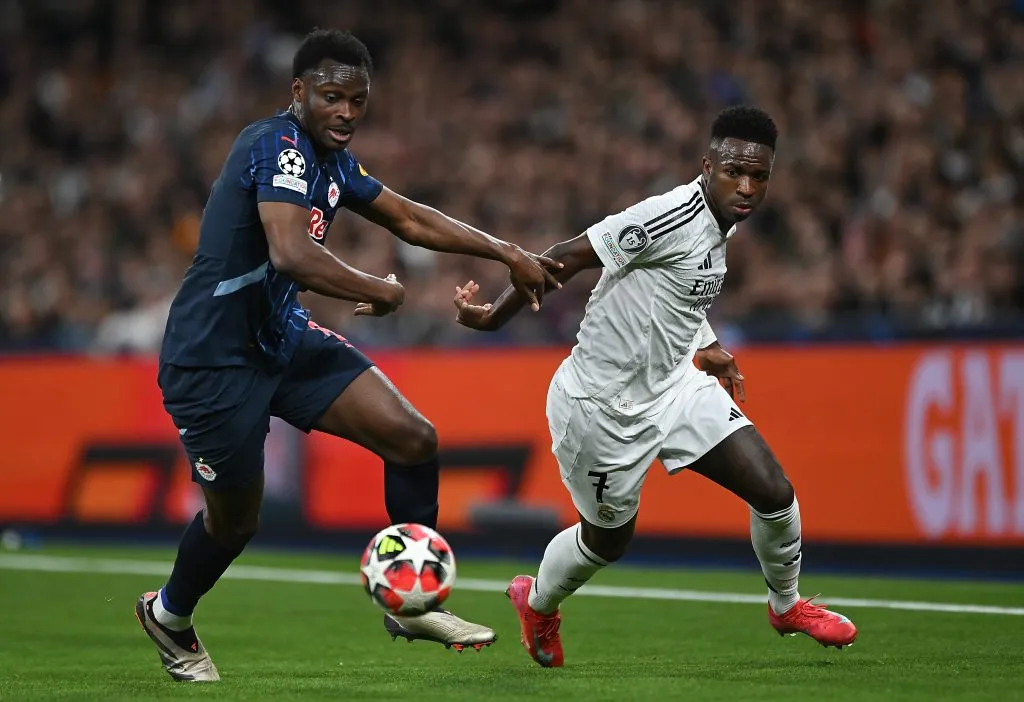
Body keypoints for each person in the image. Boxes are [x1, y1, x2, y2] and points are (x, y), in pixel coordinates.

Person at [135, 28, 561, 682]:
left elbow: (408, 218)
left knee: (413, 439)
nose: (346, 112)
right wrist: (377, 288)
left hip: (281, 338)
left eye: (357, 100)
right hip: (213, 360)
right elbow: (290, 251)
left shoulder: (332, 160)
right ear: (298, 92)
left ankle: (413, 602)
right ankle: (169, 614)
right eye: (331, 97)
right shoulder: (275, 145)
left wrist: (506, 251)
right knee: (235, 523)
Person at [452, 105, 858, 668]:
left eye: (758, 176)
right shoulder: (667, 215)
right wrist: (493, 320)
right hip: (599, 407)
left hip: (673, 387)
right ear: (707, 167)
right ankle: (538, 603)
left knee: (774, 491)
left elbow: (676, 288)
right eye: (734, 172)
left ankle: (786, 606)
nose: (746, 187)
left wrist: (705, 343)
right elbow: (564, 259)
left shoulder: (724, 220)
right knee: (606, 542)